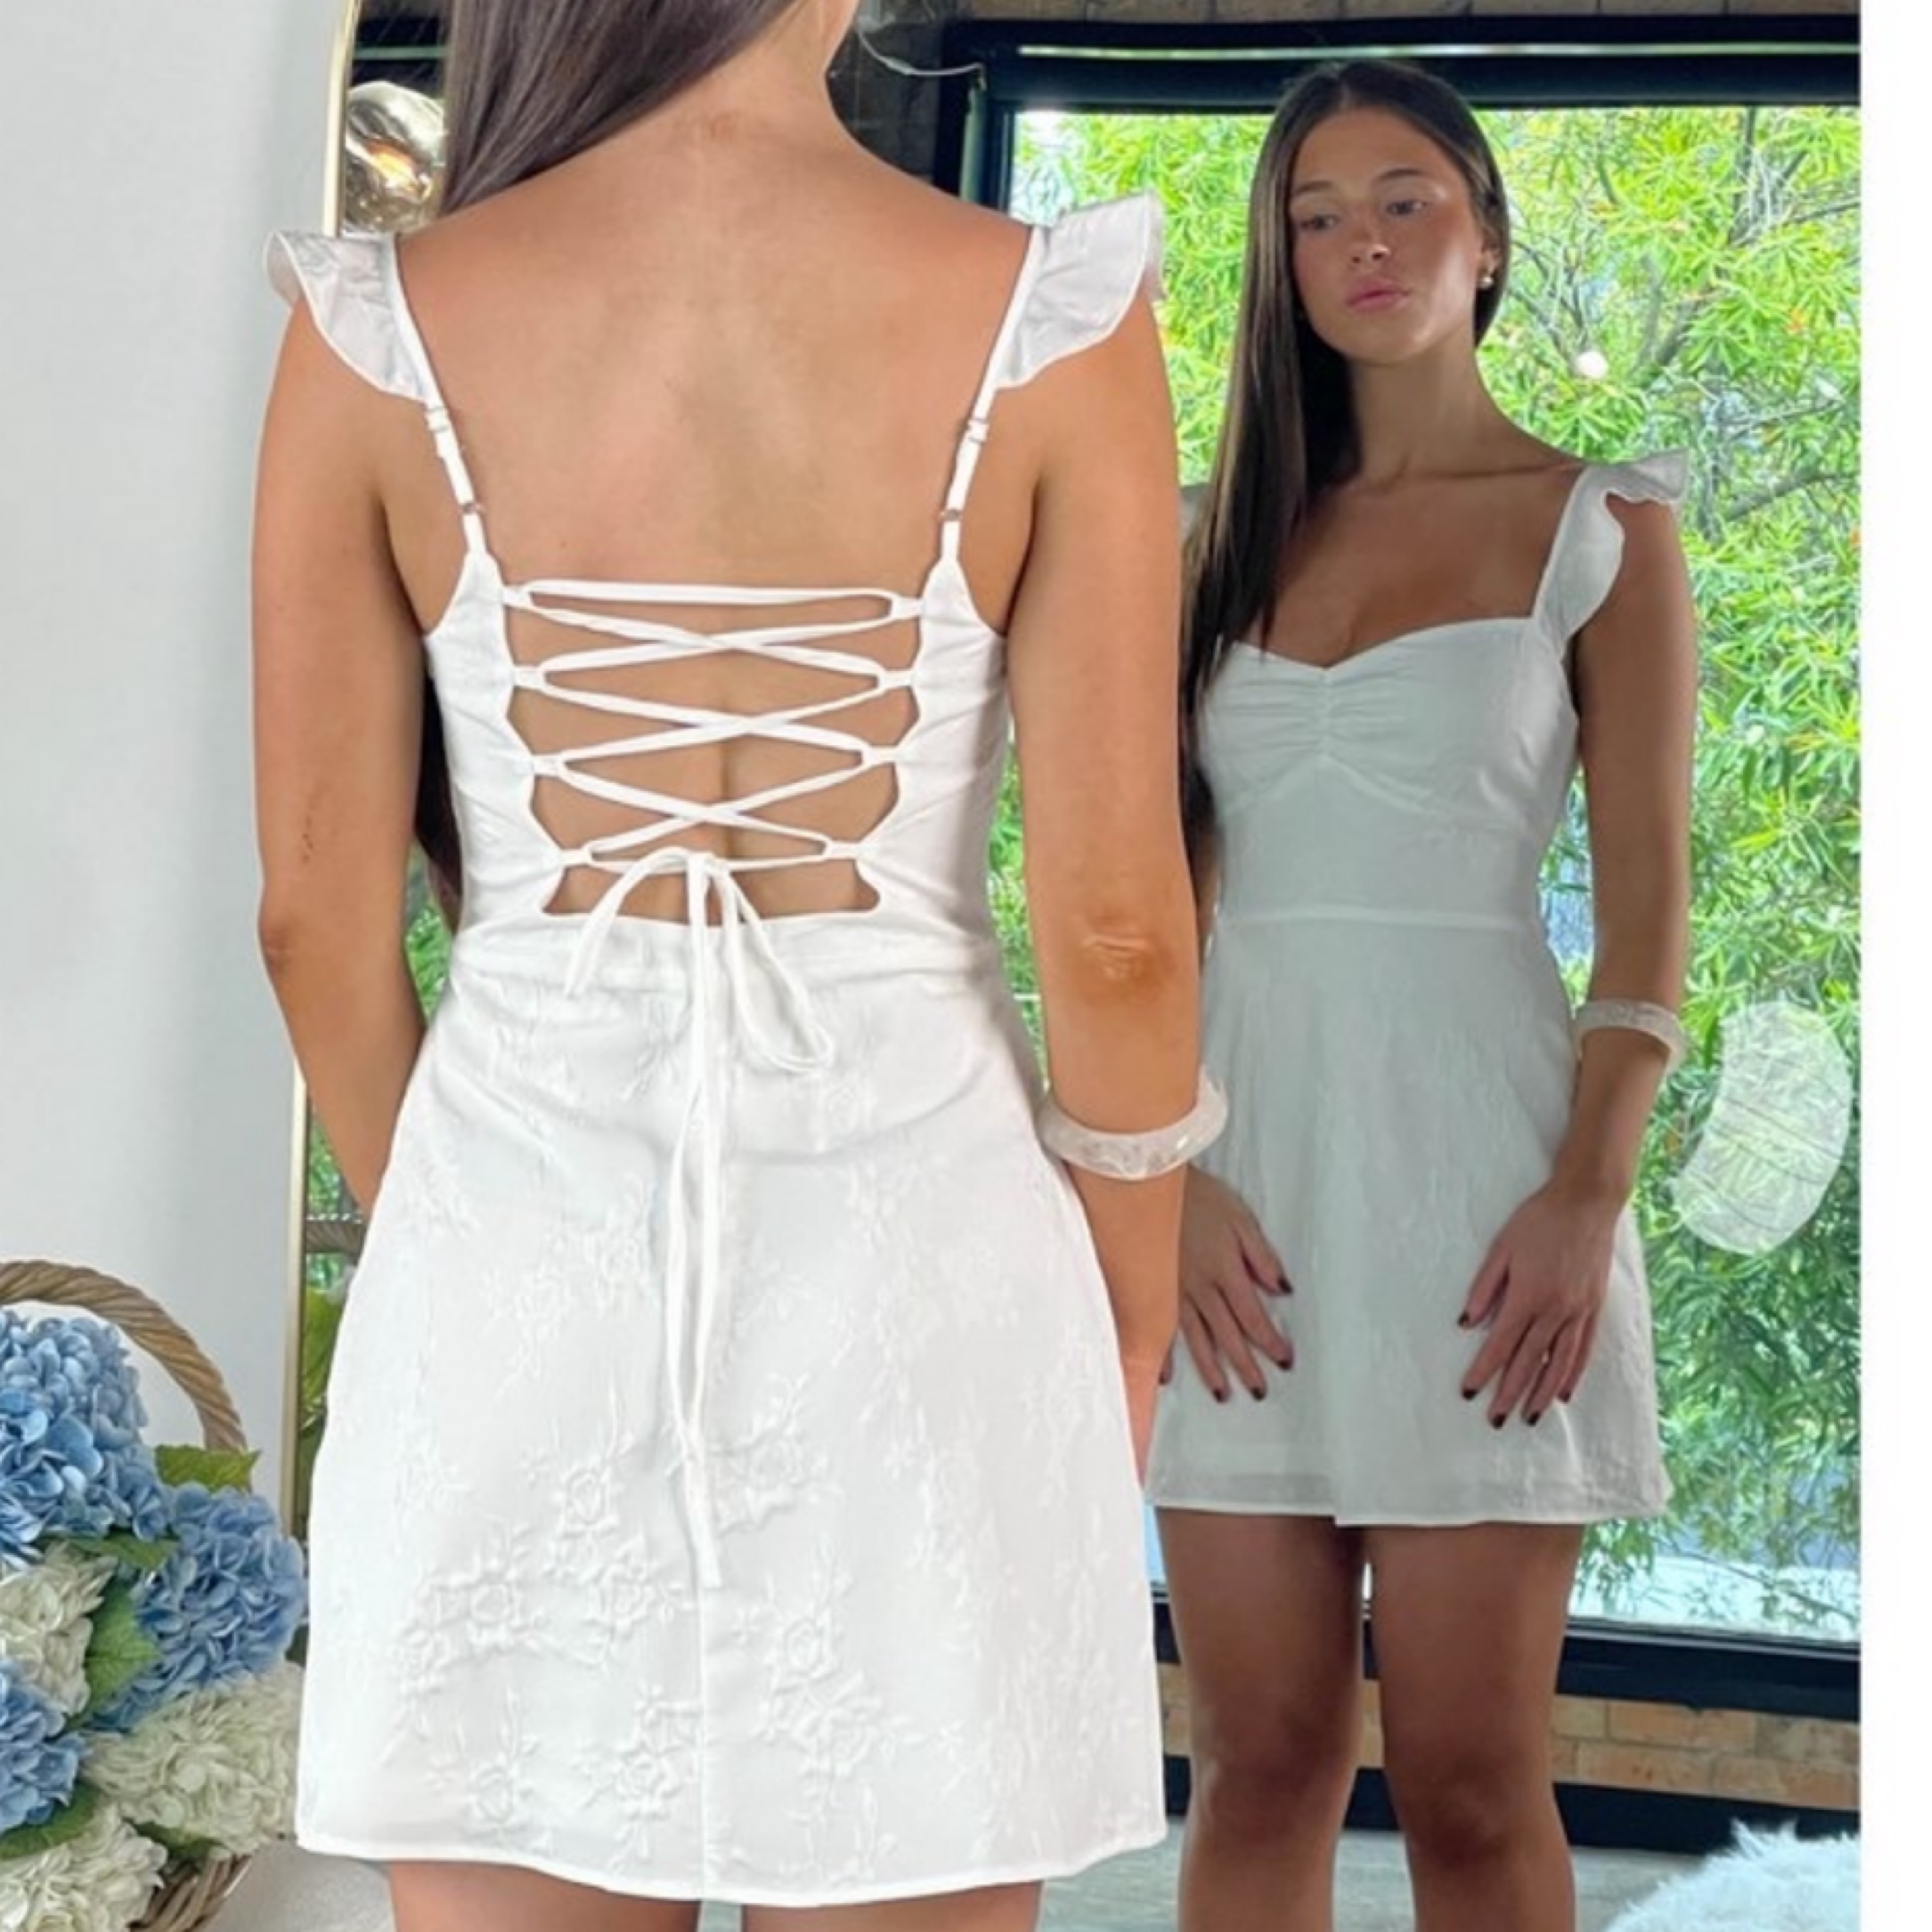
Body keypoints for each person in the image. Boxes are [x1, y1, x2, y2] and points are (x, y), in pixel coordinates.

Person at [251, 3, 1211, 1928]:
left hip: (515, 1248)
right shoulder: (1051, 318)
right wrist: (1122, 1310)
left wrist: (450, 1232)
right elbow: (1114, 930)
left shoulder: (376, 327)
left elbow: (312, 924)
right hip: (925, 1260)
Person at [1145, 58, 1696, 1932]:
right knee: (1257, 1765)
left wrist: (1584, 1201)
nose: (1362, 245)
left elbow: (1649, 929)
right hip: (1239, 1197)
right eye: (1316, 217)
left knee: (1469, 1785)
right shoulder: (1203, 535)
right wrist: (1160, 1178)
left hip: (1488, 1191)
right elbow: (1140, 903)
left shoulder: (1600, 526)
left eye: (1404, 202)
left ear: (1488, 236)